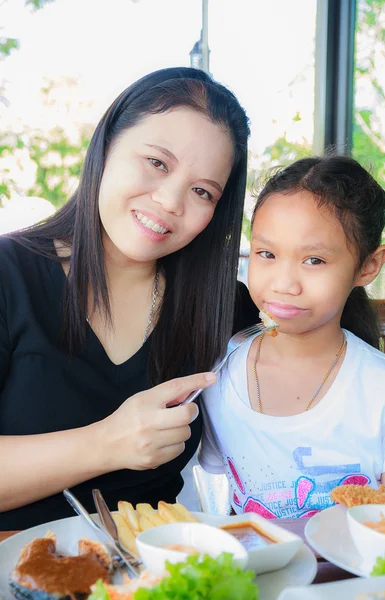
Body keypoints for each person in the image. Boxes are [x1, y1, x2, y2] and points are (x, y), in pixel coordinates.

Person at [0, 67, 259, 530]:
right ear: (106, 147)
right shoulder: (8, 273)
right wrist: (108, 443)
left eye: (202, 191)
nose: (171, 200)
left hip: (158, 567)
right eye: (157, 163)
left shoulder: (227, 307)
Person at [199, 156, 385, 519]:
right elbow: (217, 505)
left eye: (314, 261)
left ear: (368, 266)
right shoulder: (218, 375)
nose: (284, 284)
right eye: (267, 254)